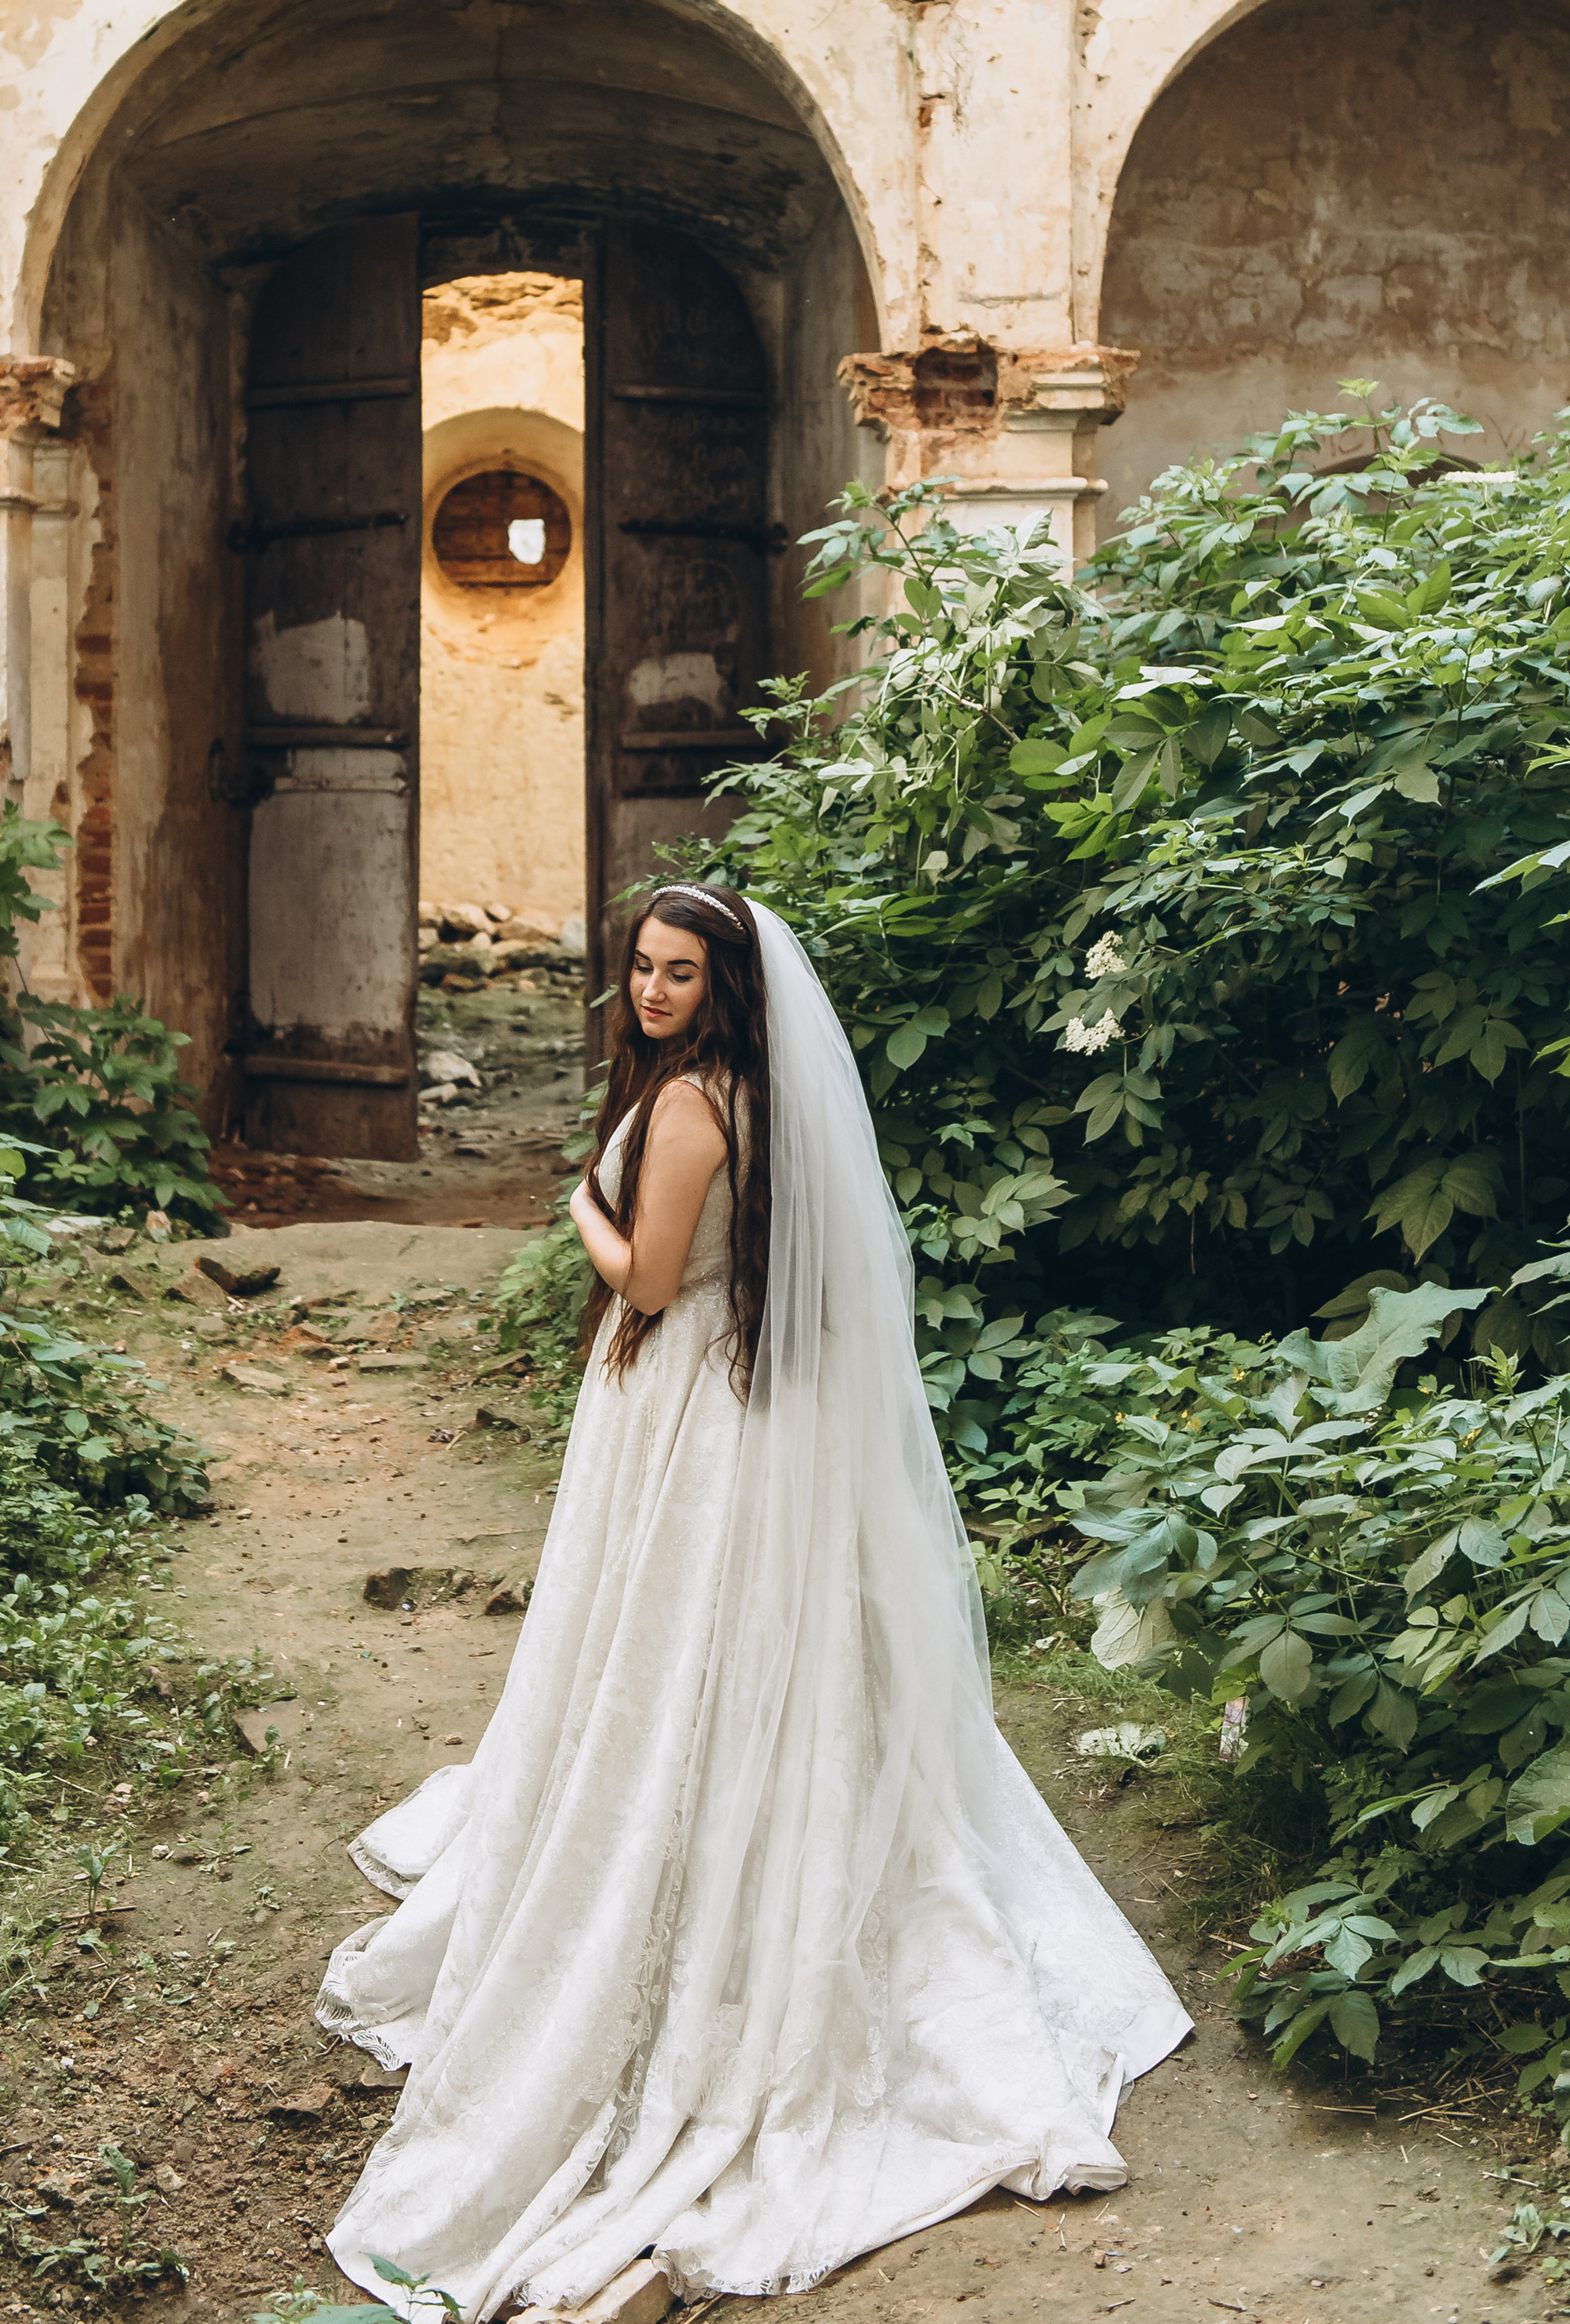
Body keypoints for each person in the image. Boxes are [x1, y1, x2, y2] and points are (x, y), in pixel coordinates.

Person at [314, 882, 1187, 2322]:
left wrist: (584, 1208)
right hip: (753, 1402)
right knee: (743, 1651)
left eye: (675, 973)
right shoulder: (759, 1095)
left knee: (665, 1654)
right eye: (640, 969)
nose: (649, 991)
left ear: (723, 986)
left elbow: (650, 1283)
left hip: (685, 1412)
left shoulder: (680, 1113)